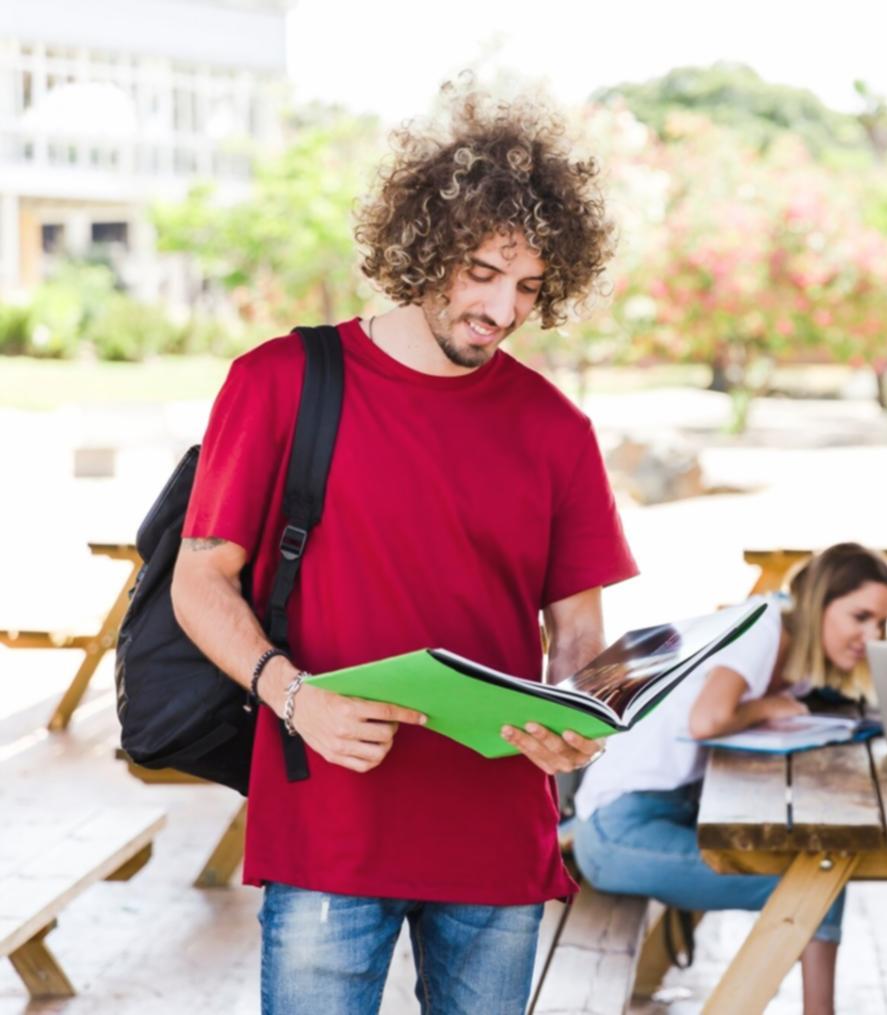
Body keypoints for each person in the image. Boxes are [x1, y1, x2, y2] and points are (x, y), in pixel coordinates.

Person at [172, 85, 637, 1014]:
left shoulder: (557, 429)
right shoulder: (279, 383)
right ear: (425, 245)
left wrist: (581, 722)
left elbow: (578, 632)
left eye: (530, 287)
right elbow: (199, 582)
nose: (502, 308)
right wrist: (293, 696)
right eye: (482, 272)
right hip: (329, 824)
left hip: (497, 838)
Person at [571, 543, 887, 1015]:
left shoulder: (784, 642)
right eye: (861, 617)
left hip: (658, 814)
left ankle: (645, 989)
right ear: (821, 602)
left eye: (881, 623)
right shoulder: (761, 626)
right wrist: (766, 707)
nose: (872, 634)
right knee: (817, 883)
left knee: (806, 865)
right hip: (617, 831)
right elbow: (706, 721)